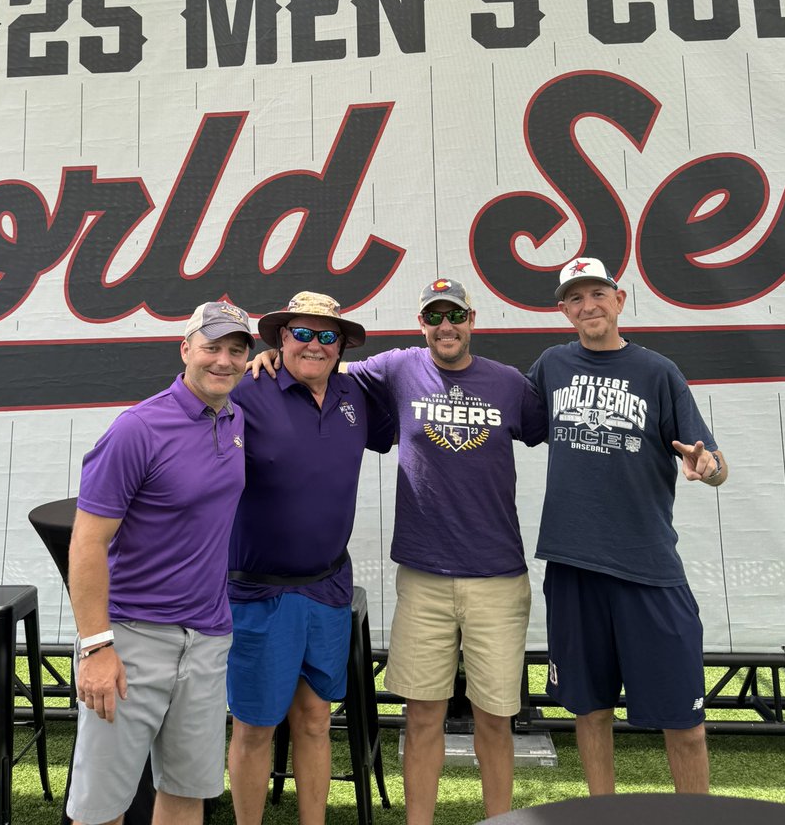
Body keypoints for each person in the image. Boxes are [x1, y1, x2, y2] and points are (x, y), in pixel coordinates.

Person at [251, 277, 548, 823]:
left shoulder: (509, 384)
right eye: (434, 317)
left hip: (498, 577)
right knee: (422, 717)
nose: (445, 327)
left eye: (455, 316)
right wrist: (274, 353)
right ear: (422, 325)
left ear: (472, 321)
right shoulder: (397, 368)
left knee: (494, 719)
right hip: (423, 575)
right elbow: (318, 364)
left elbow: (564, 434)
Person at [527, 256, 729, 796]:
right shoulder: (550, 366)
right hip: (573, 565)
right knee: (589, 712)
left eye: (598, 293)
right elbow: (499, 407)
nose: (588, 305)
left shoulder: (657, 372)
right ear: (564, 310)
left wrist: (708, 468)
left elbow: (714, 463)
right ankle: (603, 813)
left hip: (647, 566)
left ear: (619, 300)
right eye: (575, 297)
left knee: (684, 722)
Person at [66, 301, 255, 825]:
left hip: (209, 640)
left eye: (236, 351)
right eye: (211, 347)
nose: (223, 360)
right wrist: (97, 647)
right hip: (132, 639)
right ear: (185, 349)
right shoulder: (137, 429)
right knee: (101, 808)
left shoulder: (236, 416)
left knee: (186, 793)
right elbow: (85, 544)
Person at [226, 291, 394, 825]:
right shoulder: (245, 389)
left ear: (342, 347)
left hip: (326, 585)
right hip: (258, 590)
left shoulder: (355, 394)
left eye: (328, 336)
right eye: (302, 333)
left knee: (317, 720)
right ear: (280, 339)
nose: (314, 345)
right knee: (254, 727)